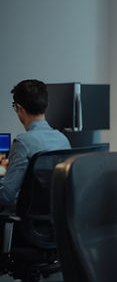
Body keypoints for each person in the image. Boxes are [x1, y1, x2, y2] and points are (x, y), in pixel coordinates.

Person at [0, 80, 70, 210]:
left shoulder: (22, 143)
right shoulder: (63, 140)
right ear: (47, 106)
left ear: (19, 108)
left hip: (28, 224)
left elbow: (6, 195)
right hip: (56, 223)